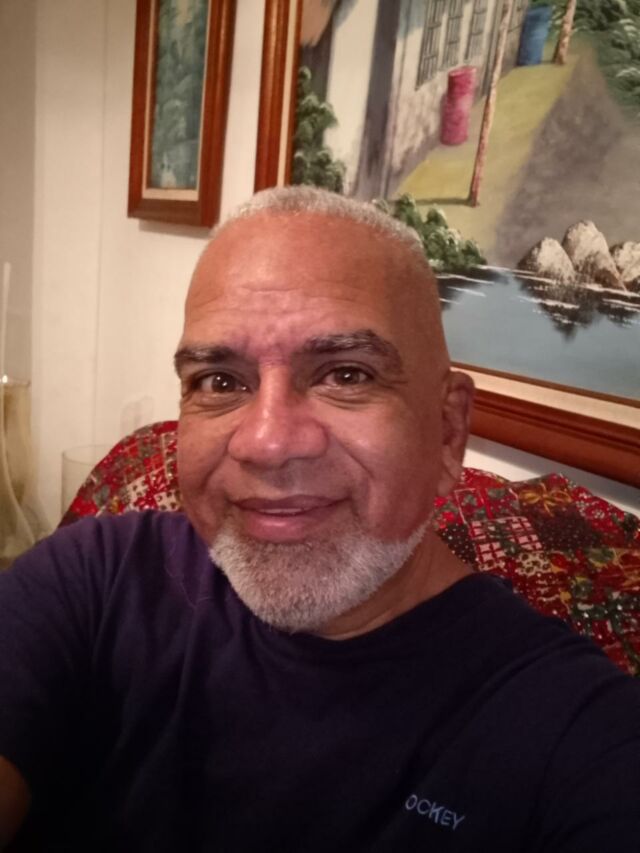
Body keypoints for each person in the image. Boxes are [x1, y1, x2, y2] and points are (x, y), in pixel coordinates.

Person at [0, 187, 638, 852]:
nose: (267, 443)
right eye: (220, 381)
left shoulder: (574, 735)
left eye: (346, 374)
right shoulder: (94, 581)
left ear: (447, 431)